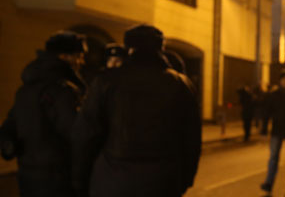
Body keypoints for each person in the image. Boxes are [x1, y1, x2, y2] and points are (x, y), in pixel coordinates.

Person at [71, 24, 201, 197]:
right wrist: (184, 180)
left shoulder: (107, 81)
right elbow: (191, 139)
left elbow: (85, 136)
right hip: (163, 183)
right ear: (160, 48)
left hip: (113, 181)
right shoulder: (180, 85)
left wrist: (79, 181)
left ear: (128, 48)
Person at [0, 31, 87, 197]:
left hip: (28, 176)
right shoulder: (62, 91)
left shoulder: (24, 91)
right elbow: (76, 134)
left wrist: (12, 147)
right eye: (78, 56)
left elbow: (8, 129)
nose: (81, 62)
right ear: (64, 57)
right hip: (58, 179)